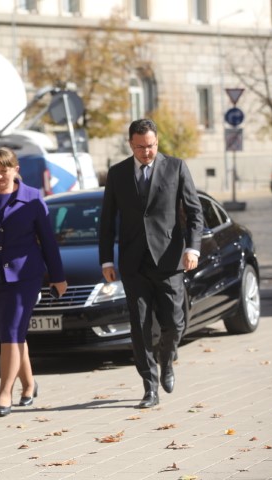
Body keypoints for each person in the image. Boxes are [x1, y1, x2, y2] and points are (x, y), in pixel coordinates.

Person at [99, 118, 203, 409]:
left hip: (169, 259)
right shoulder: (118, 174)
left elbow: (195, 212)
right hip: (133, 262)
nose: (147, 152)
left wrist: (193, 248)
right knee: (140, 326)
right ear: (131, 145)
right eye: (141, 147)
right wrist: (106, 258)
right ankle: (149, 385)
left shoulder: (176, 167)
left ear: (157, 141)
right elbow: (107, 221)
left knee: (174, 322)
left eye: (152, 146)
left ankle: (167, 360)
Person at [0, 147, 67, 417]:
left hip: (25, 276)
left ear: (16, 170)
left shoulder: (33, 198)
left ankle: (5, 394)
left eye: (4, 170)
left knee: (12, 332)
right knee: (11, 334)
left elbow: (48, 240)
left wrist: (58, 277)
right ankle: (29, 384)